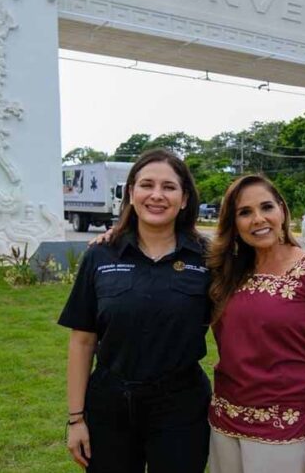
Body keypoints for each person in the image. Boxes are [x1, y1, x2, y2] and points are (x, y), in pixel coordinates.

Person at [58, 149, 212, 472]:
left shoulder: (208, 259)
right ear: (131, 193)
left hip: (180, 408)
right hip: (110, 406)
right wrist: (75, 419)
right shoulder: (100, 255)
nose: (157, 195)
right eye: (147, 185)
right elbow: (83, 341)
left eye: (169, 187)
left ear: (184, 199)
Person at [207, 175, 305, 473]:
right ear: (234, 223)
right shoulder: (227, 272)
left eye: (266, 207)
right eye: (245, 213)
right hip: (223, 421)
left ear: (282, 210)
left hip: (283, 430)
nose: (258, 219)